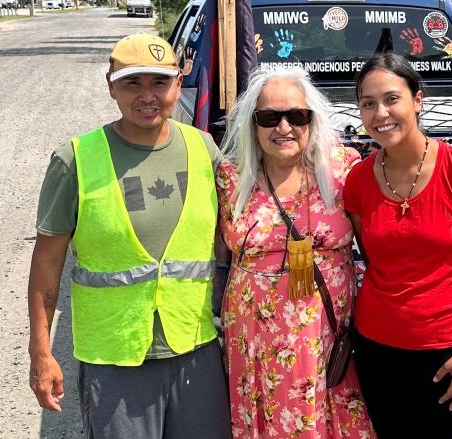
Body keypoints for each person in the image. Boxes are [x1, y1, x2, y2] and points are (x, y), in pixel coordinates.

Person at [27, 34, 231, 438]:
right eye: (132, 83)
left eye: (159, 82)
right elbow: (47, 263)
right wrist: (41, 352)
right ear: (110, 86)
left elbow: (241, 231)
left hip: (195, 350)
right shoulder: (75, 160)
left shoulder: (203, 148)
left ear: (178, 82)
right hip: (115, 360)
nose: (147, 96)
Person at [343, 52, 452, 439]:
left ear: (418, 100)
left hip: (447, 352)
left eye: (391, 98)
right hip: (376, 349)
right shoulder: (358, 181)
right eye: (368, 103)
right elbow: (371, 253)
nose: (380, 113)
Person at [216, 65, 375, 438]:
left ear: (312, 119)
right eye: (269, 117)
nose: (283, 127)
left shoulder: (343, 169)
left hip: (327, 329)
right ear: (252, 125)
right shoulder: (230, 177)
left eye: (296, 116)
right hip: (254, 333)